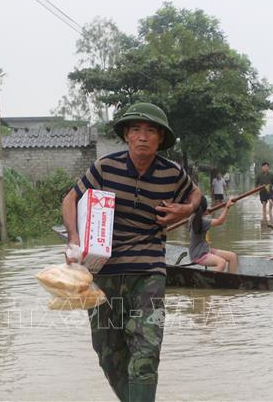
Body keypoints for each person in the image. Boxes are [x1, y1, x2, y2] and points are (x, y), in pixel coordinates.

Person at [61, 102, 201, 402]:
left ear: (160, 138)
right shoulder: (105, 168)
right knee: (109, 355)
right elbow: (70, 199)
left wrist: (185, 209)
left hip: (148, 272)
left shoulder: (172, 173)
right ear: (126, 135)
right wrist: (74, 240)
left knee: (147, 351)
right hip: (102, 273)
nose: (142, 136)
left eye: (150, 131)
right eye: (135, 129)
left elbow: (196, 195)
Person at [188, 196, 238, 273]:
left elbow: (198, 215)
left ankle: (232, 281)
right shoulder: (202, 222)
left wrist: (204, 213)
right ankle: (212, 283)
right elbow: (220, 221)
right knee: (222, 263)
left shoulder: (192, 217)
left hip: (205, 250)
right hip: (198, 255)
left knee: (233, 256)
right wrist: (227, 207)